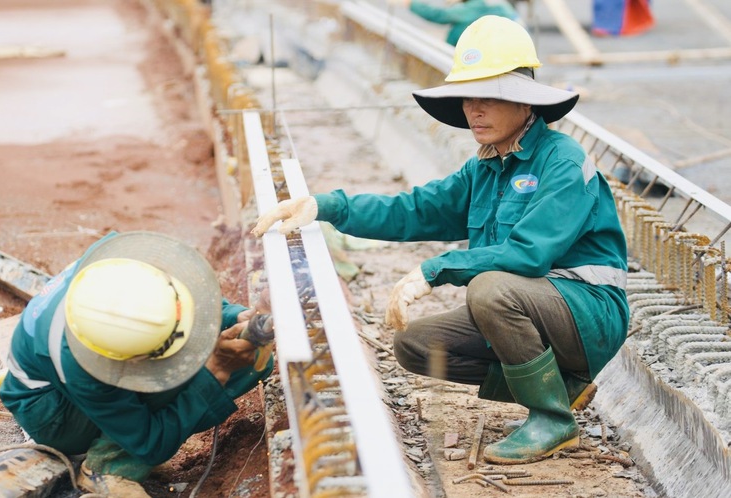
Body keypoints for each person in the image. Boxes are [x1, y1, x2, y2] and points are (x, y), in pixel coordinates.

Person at [251, 15, 628, 465]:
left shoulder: (562, 160)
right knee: (415, 344)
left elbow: (529, 254)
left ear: (526, 102)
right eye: (469, 97)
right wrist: (327, 207)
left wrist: (432, 270)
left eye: (490, 97)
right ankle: (561, 389)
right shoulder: (487, 167)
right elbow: (414, 210)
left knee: (489, 288)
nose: (475, 109)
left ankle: (551, 419)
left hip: (589, 314)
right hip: (532, 308)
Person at [0, 231, 274, 496]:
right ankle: (107, 469)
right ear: (124, 358)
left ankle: (132, 433)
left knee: (251, 362)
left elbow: (193, 309)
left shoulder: (131, 267)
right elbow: (149, 443)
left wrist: (238, 319)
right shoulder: (78, 362)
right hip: (50, 411)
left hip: (86, 373)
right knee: (199, 373)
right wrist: (218, 369)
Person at [390, 0, 522, 46]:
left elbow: (441, 15)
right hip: (515, 41)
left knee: (459, 29)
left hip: (509, 45)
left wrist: (410, 3)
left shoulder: (476, 6)